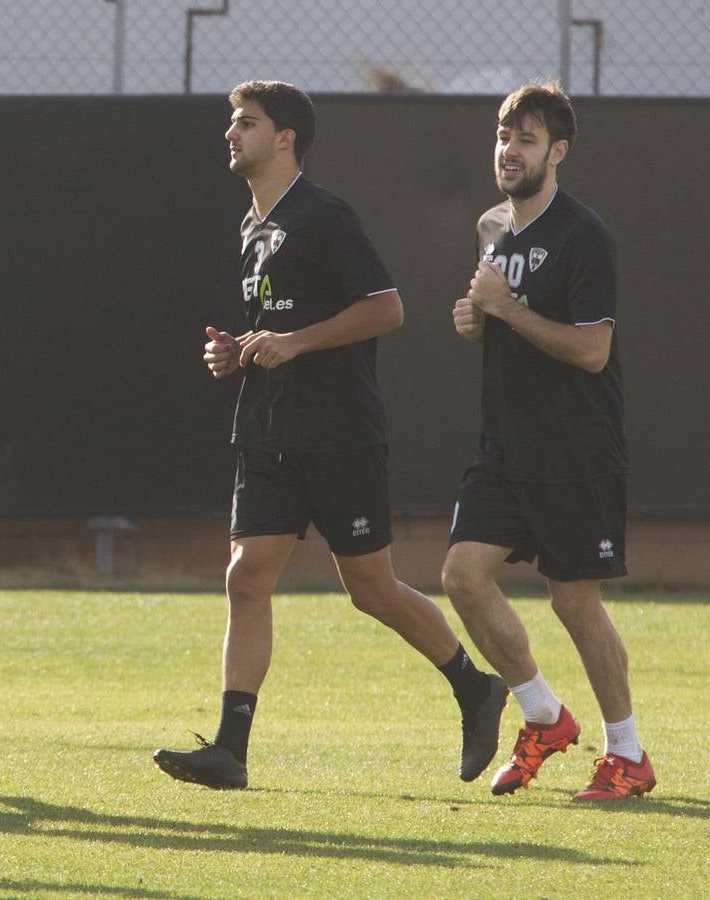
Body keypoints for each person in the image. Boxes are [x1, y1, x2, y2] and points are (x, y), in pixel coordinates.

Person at [152, 80, 504, 790]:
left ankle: (474, 686)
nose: (231, 133)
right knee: (246, 577)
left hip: (338, 432)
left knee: (371, 589)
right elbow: (279, 326)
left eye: (246, 123)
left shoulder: (323, 215)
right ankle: (231, 748)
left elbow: (387, 308)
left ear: (285, 139)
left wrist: (295, 341)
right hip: (267, 430)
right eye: (232, 123)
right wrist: (240, 351)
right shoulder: (253, 225)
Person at [442, 82, 652, 801]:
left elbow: (592, 351)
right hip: (504, 449)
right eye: (503, 136)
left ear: (557, 152)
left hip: (576, 450)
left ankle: (627, 754)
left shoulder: (582, 234)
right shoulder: (492, 228)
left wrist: (506, 308)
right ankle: (543, 716)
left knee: (574, 604)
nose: (509, 150)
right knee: (462, 577)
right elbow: (490, 315)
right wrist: (476, 319)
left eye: (526, 140)